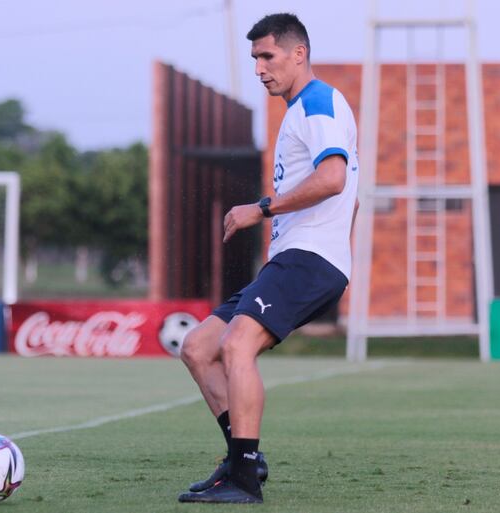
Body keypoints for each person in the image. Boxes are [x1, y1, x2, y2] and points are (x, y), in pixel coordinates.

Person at [177, 12, 359, 504]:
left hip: (308, 258)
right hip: (296, 257)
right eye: (255, 57)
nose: (260, 67)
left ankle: (243, 478)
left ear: (299, 54)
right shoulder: (299, 110)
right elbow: (352, 198)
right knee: (198, 347)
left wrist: (259, 209)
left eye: (268, 55)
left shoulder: (318, 102)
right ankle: (242, 460)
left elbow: (335, 179)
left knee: (236, 345)